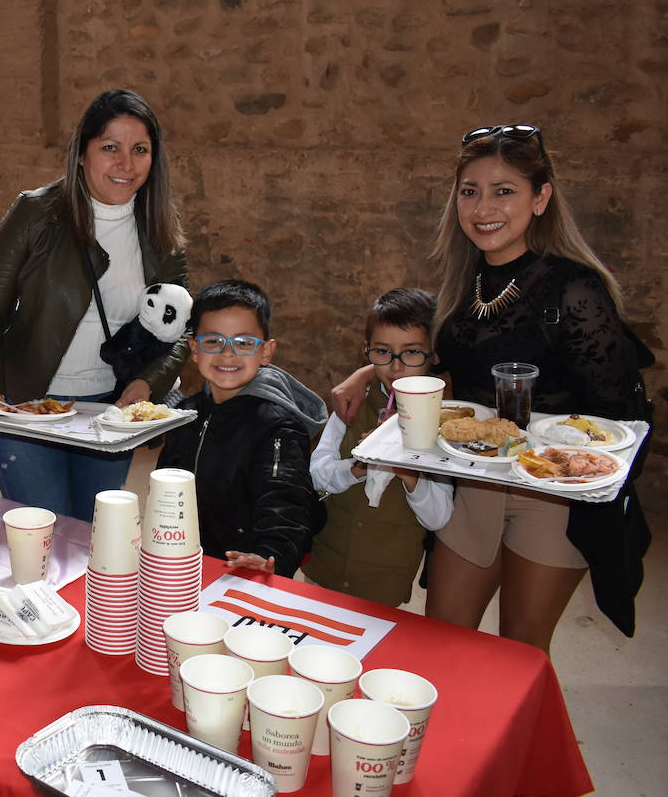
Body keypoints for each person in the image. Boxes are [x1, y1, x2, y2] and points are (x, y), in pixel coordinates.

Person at [331, 124, 653, 648]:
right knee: (443, 639)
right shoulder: (464, 282)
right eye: (469, 191)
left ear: (541, 197)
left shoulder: (574, 289)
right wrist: (368, 371)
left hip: (551, 494)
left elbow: (618, 415)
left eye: (504, 191)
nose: (484, 208)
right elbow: (422, 352)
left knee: (519, 651)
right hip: (473, 481)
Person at [0, 88, 188, 521]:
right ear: (82, 153)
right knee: (41, 535)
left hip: (110, 412)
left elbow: (180, 328)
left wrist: (147, 384)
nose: (126, 163)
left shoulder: (160, 227)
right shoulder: (35, 213)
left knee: (92, 537)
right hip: (30, 409)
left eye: (140, 149)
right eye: (110, 147)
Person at [156, 280, 326, 576]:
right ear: (194, 349)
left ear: (266, 352)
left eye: (244, 343)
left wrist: (270, 556)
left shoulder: (278, 428)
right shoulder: (183, 415)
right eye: (213, 341)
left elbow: (286, 504)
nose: (227, 354)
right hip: (182, 564)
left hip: (243, 570)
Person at [308, 288, 454, 606]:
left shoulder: (444, 423)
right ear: (367, 350)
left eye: (412, 353)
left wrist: (407, 471)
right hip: (322, 569)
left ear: (434, 355)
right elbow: (317, 476)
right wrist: (358, 466)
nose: (396, 367)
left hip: (384, 583)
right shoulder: (352, 404)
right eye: (383, 352)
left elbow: (438, 517)